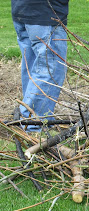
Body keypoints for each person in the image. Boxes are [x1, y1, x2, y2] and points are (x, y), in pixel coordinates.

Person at [11, 0, 69, 132]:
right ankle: (33, 126)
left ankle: (29, 120)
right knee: (50, 69)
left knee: (33, 67)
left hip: (22, 9)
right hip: (45, 13)